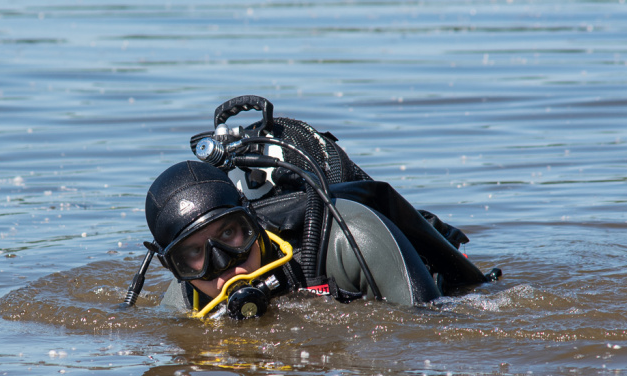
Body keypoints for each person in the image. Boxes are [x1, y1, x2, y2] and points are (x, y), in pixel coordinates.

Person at [127, 97, 499, 319]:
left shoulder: (352, 239)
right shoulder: (184, 300)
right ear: (174, 268)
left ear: (252, 221)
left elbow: (429, 334)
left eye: (229, 233)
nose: (224, 264)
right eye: (194, 254)